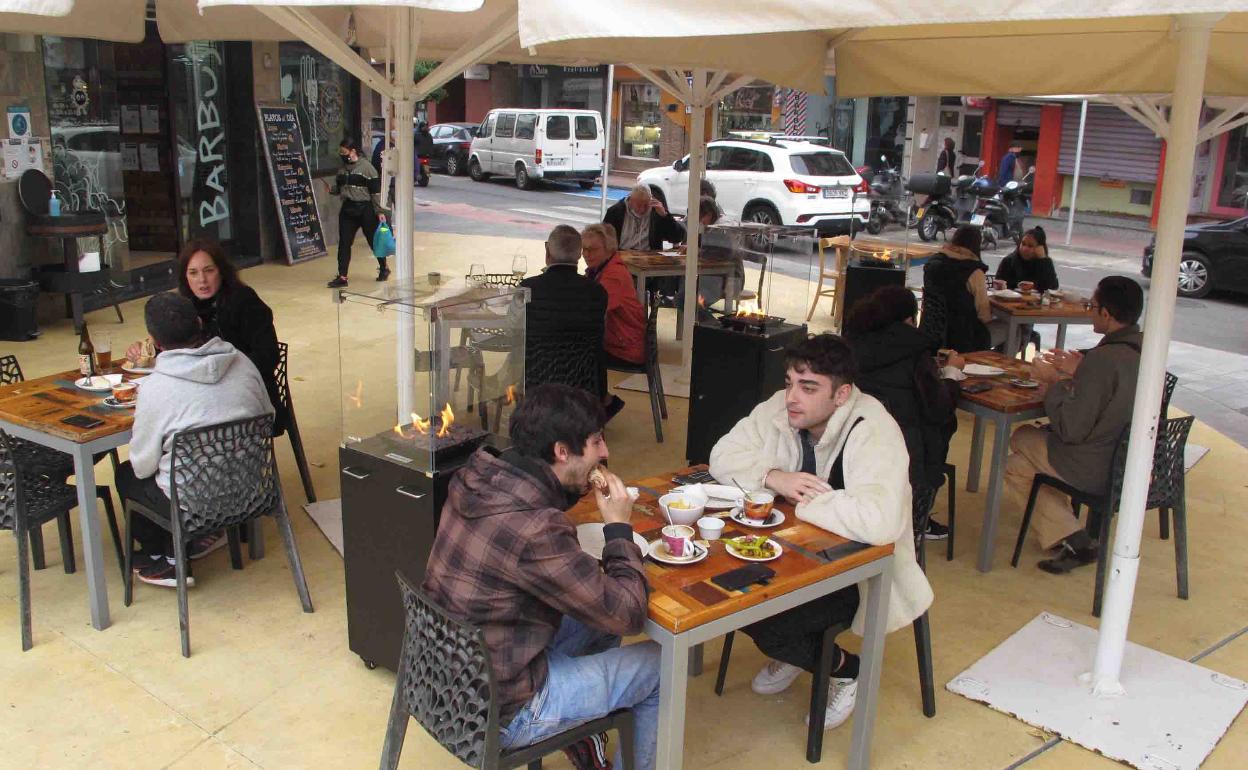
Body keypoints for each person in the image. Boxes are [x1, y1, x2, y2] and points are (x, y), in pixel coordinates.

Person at [422, 384, 658, 770]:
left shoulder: (477, 475)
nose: (606, 453)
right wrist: (618, 528)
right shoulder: (535, 528)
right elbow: (629, 613)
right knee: (659, 666)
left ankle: (582, 730)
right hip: (499, 712)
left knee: (595, 620)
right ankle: (568, 724)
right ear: (562, 451)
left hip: (443, 682)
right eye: (597, 441)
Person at [709, 334, 933, 731]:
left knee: (769, 621)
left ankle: (846, 669)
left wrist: (804, 498)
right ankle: (803, 653)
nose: (792, 396)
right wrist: (774, 476)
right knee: (723, 594)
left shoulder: (874, 428)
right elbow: (721, 456)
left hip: (864, 577)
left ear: (842, 394)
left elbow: (880, 521)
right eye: (789, 382)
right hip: (793, 554)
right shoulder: (782, 407)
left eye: (808, 387)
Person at [118, 293, 274, 587]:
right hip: (252, 488)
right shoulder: (241, 361)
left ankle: (168, 560)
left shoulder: (156, 388)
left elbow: (142, 467)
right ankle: (198, 538)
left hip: (196, 503)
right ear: (200, 323)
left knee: (127, 475)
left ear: (155, 342)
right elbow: (267, 417)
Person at [1004, 276, 1145, 574]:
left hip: (1097, 466)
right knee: (1020, 464)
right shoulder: (1144, 350)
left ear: (1106, 313)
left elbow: (1071, 429)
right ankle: (1073, 536)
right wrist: (1079, 374)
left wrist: (1053, 383)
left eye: (1093, 306)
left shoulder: (1104, 360)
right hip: (1133, 463)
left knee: (1021, 439)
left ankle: (1072, 535)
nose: (1090, 311)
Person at [126, 238, 286, 436]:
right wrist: (148, 348)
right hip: (200, 399)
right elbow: (174, 348)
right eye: (193, 273)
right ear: (185, 277)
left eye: (209, 270)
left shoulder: (244, 301)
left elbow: (269, 355)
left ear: (221, 271)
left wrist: (226, 372)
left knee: (163, 428)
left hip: (248, 401)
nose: (202, 280)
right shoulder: (184, 306)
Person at [843, 285, 963, 539]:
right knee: (943, 425)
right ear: (909, 319)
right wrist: (952, 374)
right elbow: (938, 408)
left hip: (851, 449)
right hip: (910, 461)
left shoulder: (850, 345)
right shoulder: (915, 352)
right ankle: (921, 516)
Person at [520, 226, 608, 400]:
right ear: (578, 255)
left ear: (548, 253)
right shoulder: (597, 292)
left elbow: (512, 334)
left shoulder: (527, 289)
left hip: (536, 381)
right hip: (583, 385)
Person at [582, 223, 645, 367]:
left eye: (592, 249)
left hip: (624, 350)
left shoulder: (614, 275)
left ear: (608, 250)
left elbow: (592, 312)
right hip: (617, 343)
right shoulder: (599, 269)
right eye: (584, 248)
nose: (586, 254)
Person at [922, 224, 993, 352]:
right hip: (964, 338)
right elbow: (984, 315)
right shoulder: (973, 271)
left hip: (931, 332)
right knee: (1011, 329)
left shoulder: (933, 262)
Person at [328, 138, 384, 288]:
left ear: (353, 151)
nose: (342, 155)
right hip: (348, 208)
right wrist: (332, 190)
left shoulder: (367, 169)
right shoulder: (342, 170)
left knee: (373, 242)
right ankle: (342, 276)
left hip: (365, 209)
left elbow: (375, 193)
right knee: (344, 243)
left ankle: (384, 268)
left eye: (344, 152)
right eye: (340, 152)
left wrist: (379, 211)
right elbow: (340, 188)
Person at [603, 184, 685, 252]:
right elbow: (603, 238)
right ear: (630, 201)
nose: (642, 209)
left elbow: (677, 237)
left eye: (646, 205)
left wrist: (665, 216)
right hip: (622, 253)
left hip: (649, 256)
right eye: (638, 205)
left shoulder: (656, 211)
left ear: (651, 200)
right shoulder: (615, 212)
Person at [994, 226, 1059, 293]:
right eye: (1023, 244)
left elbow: (1053, 287)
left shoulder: (1045, 262)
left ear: (1040, 249)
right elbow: (999, 285)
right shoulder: (1009, 261)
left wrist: (1043, 260)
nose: (1025, 249)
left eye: (1030, 246)